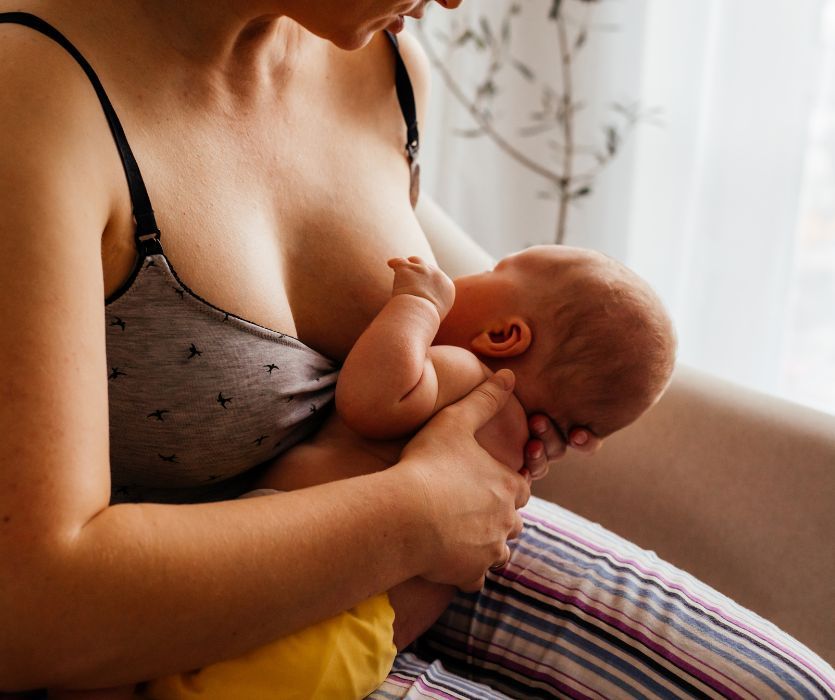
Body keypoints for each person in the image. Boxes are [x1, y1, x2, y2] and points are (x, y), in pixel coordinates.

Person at [0, 2, 832, 698]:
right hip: (190, 633)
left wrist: (542, 410)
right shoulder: (31, 99)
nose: (456, 3)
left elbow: (470, 322)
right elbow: (26, 614)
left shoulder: (383, 65)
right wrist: (422, 514)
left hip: (417, 572)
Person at [142, 246, 676, 698]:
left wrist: (418, 305)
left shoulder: (465, 371)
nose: (467, 272)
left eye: (493, 271)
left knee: (147, 670)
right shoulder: (514, 445)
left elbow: (371, 400)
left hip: (307, 596)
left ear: (504, 335)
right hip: (362, 642)